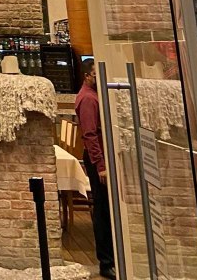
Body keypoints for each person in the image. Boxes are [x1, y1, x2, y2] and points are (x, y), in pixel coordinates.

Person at [75, 59, 116, 280]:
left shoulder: (93, 96)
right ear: (87, 76)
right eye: (95, 74)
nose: (99, 78)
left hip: (99, 157)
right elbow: (90, 135)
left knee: (106, 207)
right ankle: (106, 261)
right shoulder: (89, 99)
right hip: (97, 159)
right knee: (102, 208)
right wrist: (100, 166)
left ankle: (112, 257)